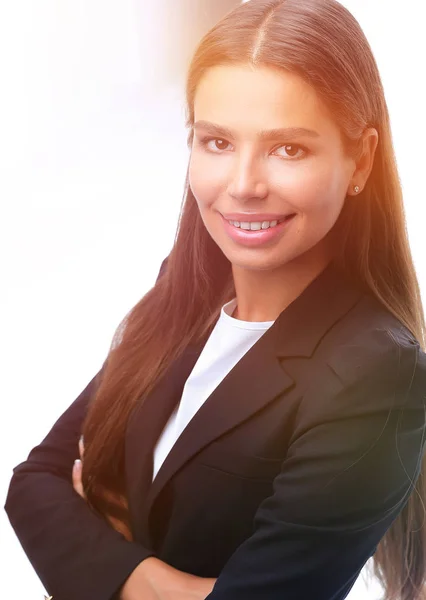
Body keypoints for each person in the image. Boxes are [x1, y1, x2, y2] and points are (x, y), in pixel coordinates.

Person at [5, 0, 426, 599]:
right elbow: (34, 485)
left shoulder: (375, 371)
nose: (244, 185)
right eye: (217, 141)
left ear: (360, 158)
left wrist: (108, 556)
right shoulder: (186, 286)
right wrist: (166, 582)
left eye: (288, 149)